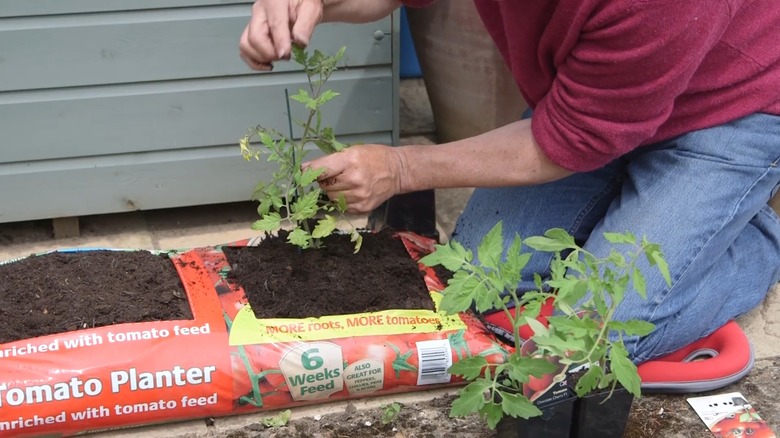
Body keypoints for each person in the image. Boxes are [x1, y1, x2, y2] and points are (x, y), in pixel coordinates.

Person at [239, 0, 780, 364]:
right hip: (592, 96)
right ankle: (660, 209)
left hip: (730, 109)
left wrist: (401, 168)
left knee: (590, 335)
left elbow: (568, 141)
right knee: (484, 283)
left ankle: (753, 241)